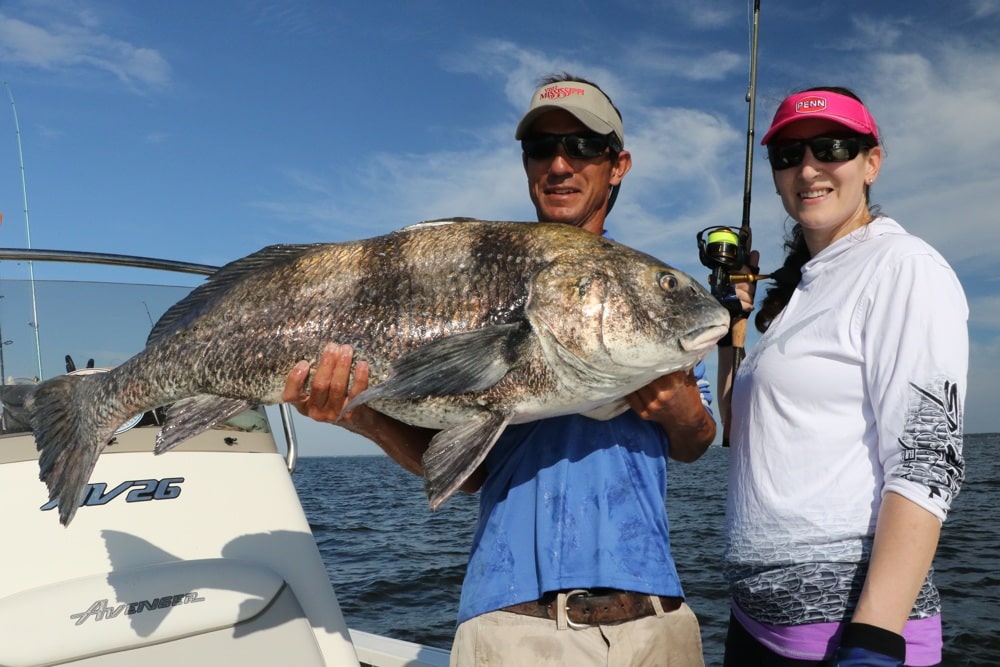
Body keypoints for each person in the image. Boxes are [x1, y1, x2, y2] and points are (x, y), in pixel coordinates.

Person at [282, 74, 715, 666]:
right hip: (513, 626)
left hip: (654, 621)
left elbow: (696, 442)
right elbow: (470, 475)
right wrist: (359, 417)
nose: (560, 164)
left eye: (584, 146)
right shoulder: (478, 280)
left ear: (618, 165)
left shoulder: (642, 311)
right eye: (542, 149)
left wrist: (687, 416)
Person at [718, 86, 968, 667]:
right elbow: (738, 429)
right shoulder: (802, 292)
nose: (808, 168)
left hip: (848, 638)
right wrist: (732, 328)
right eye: (787, 155)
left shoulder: (902, 266)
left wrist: (876, 639)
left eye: (831, 147)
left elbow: (929, 458)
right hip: (754, 627)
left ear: (871, 163)